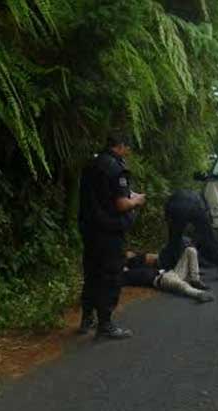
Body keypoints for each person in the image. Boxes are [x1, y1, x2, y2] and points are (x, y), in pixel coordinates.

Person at [78, 131, 146, 338]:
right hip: (109, 232)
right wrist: (137, 200)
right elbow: (121, 203)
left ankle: (86, 318)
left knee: (92, 273)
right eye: (128, 148)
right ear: (121, 145)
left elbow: (100, 196)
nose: (128, 152)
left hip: (90, 230)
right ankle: (105, 325)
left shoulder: (91, 164)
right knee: (110, 276)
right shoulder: (116, 168)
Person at [160, 189, 218, 282]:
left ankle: (171, 269)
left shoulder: (172, 199)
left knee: (174, 240)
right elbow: (206, 218)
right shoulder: (199, 197)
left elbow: (168, 216)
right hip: (196, 207)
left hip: (178, 209)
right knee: (211, 239)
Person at [122, 245, 214, 303]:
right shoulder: (125, 274)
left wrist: (133, 255)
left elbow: (149, 257)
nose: (129, 254)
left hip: (171, 272)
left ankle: (195, 280)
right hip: (161, 280)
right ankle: (199, 294)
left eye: (129, 253)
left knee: (190, 250)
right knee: (181, 285)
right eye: (127, 254)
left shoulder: (136, 262)